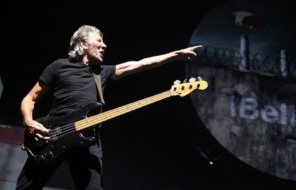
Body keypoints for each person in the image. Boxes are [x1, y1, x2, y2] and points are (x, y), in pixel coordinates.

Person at [16, 24, 202, 190]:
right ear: (83, 43)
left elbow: (140, 64)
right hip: (52, 136)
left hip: (88, 140)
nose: (104, 46)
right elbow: (29, 99)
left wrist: (175, 55)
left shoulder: (102, 72)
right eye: (99, 41)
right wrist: (29, 122)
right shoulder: (58, 66)